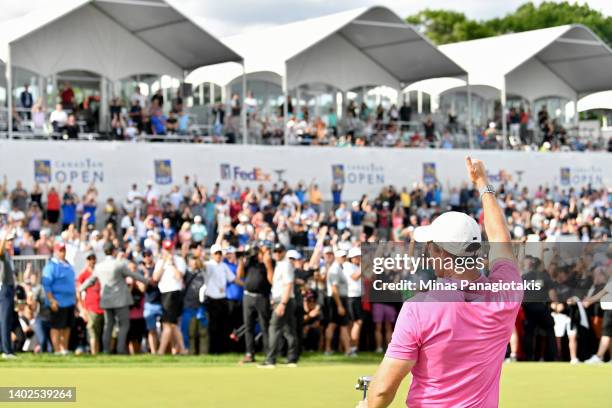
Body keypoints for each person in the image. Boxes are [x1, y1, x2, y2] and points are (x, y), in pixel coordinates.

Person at [364, 157, 522, 408]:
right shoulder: (506, 292)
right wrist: (483, 184)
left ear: (441, 253)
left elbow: (382, 391)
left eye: (431, 248)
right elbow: (500, 237)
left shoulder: (419, 307)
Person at [80, 242, 147, 354]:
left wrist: (81, 287)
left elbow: (91, 280)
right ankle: (120, 349)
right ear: (114, 251)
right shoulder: (119, 264)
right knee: (124, 324)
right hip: (120, 300)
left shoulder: (99, 266)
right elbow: (132, 275)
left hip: (106, 301)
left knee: (108, 325)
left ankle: (107, 350)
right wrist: (146, 280)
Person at [259, 244, 298, 368]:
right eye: (274, 251)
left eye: (279, 251)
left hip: (284, 300)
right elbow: (273, 282)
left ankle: (271, 360)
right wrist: (268, 265)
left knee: (274, 328)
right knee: (289, 330)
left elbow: (288, 285)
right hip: (281, 300)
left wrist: (282, 303)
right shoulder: (279, 265)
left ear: (284, 252)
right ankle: (292, 359)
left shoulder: (286, 265)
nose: (276, 253)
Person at [238, 244, 273, 364]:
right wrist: (241, 261)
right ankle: (249, 354)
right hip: (248, 297)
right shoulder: (250, 263)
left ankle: (269, 354)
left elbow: (271, 280)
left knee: (265, 326)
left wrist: (268, 265)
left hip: (262, 297)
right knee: (248, 326)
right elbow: (240, 275)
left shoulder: (268, 263)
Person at [42, 242, 77, 355]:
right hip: (57, 301)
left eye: (63, 250)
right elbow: (47, 285)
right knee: (56, 327)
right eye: (60, 250)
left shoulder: (68, 265)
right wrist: (51, 300)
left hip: (69, 301)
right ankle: (57, 350)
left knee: (67, 326)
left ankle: (64, 349)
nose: (62, 252)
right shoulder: (51, 266)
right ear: (55, 251)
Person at [153, 240, 187, 355]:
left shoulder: (179, 260)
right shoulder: (160, 262)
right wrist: (163, 263)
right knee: (172, 324)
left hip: (173, 293)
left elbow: (179, 277)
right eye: (166, 249)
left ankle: (161, 351)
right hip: (164, 294)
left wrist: (172, 264)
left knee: (168, 324)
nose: (168, 252)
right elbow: (155, 278)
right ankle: (182, 349)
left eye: (170, 249)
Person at [204, 244, 236, 354]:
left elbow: (233, 279)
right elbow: (200, 265)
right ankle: (213, 351)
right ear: (212, 255)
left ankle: (223, 350)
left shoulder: (224, 266)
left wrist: (246, 285)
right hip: (211, 300)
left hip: (222, 300)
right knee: (213, 327)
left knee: (223, 327)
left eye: (220, 253)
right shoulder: (208, 265)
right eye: (216, 253)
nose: (218, 255)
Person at [76, 252, 104, 355]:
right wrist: (82, 309)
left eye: (93, 258)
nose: (91, 261)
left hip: (103, 306)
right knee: (93, 333)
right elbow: (78, 292)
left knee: (104, 332)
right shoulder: (83, 275)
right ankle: (94, 354)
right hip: (91, 307)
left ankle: (104, 353)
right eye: (89, 259)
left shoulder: (100, 272)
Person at [324, 249, 351, 355]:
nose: (343, 258)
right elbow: (334, 289)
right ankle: (329, 349)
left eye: (344, 256)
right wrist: (339, 305)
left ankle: (346, 350)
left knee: (339, 325)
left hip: (339, 299)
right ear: (336, 257)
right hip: (336, 299)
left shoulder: (339, 268)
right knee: (333, 324)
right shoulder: (335, 269)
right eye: (341, 256)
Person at [583, 276, 612, 364]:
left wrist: (588, 300)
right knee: (610, 336)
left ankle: (599, 356)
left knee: (606, 335)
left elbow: (601, 294)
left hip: (610, 311)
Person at [0, 228, 17, 359]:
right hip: (4, 289)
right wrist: (3, 236)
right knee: (5, 320)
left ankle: (5, 348)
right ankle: (6, 351)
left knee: (7, 320)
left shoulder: (9, 255)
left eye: (12, 240)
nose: (11, 242)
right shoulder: (3, 254)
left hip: (10, 289)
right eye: (8, 240)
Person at [345, 247, 362, 357]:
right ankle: (352, 348)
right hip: (352, 297)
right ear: (351, 258)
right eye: (357, 257)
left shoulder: (355, 266)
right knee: (357, 322)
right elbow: (355, 277)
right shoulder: (348, 266)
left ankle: (352, 348)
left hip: (357, 297)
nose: (359, 258)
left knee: (354, 323)